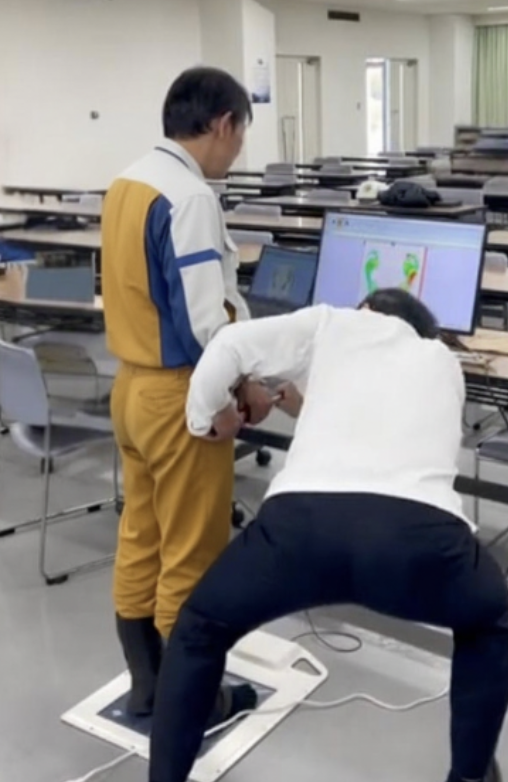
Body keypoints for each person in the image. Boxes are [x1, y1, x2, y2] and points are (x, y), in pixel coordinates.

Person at [148, 289, 508, 782]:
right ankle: (471, 775)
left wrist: (206, 417)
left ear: (365, 310)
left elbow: (228, 346)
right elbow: (380, 415)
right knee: (489, 621)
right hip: (416, 540)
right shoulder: (445, 362)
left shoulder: (331, 322)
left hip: (301, 530)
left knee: (199, 628)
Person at [101, 66, 272, 720]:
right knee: (193, 554)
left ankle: (148, 685)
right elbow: (207, 323)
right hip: (179, 398)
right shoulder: (190, 197)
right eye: (241, 134)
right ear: (223, 123)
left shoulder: (128, 182)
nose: (238, 151)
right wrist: (238, 390)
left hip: (130, 391)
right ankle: (194, 701)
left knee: (141, 536)